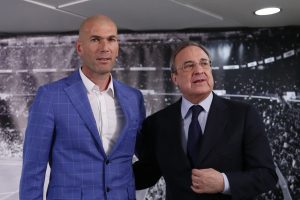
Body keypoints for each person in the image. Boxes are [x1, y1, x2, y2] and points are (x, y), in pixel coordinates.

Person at [19, 14, 145, 200]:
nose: (105, 48)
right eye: (95, 40)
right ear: (80, 48)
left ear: (117, 48)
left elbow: (147, 155)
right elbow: (33, 170)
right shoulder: (50, 96)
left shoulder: (133, 98)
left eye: (111, 39)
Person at [133, 41, 278, 200]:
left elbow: (266, 175)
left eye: (204, 63)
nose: (199, 70)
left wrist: (224, 182)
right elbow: (147, 173)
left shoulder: (244, 115)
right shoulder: (157, 123)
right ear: (175, 78)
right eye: (189, 66)